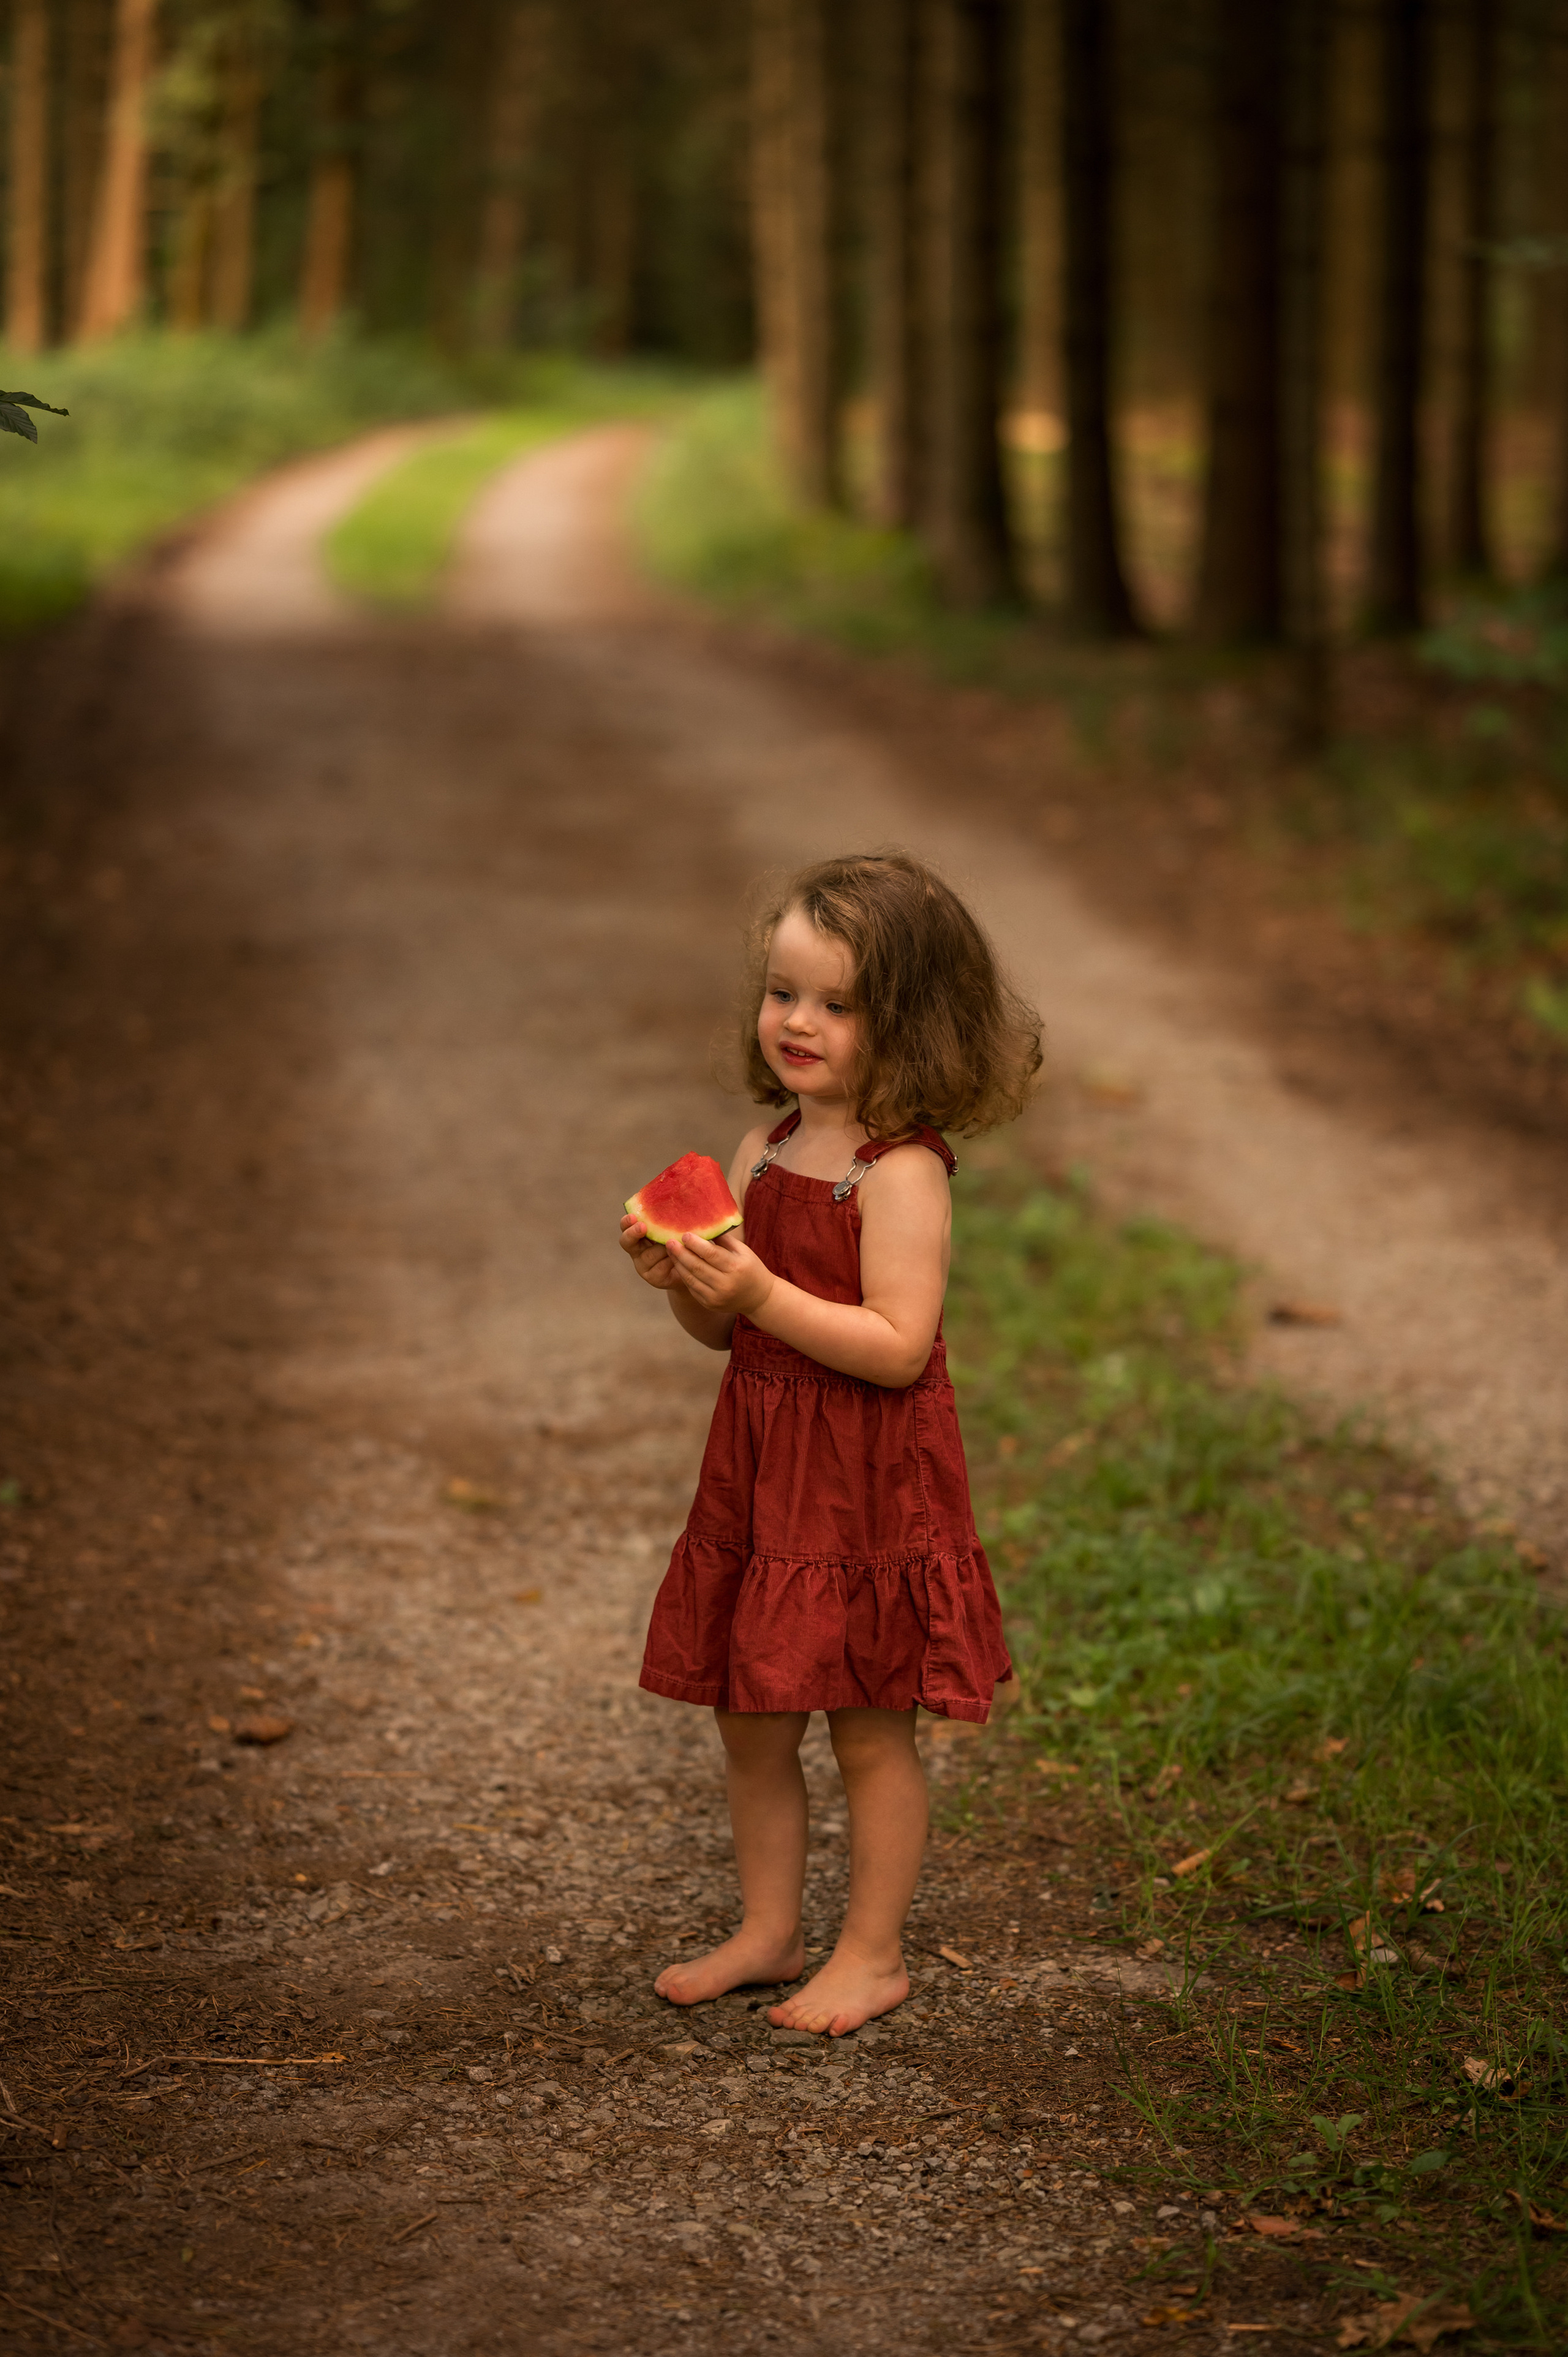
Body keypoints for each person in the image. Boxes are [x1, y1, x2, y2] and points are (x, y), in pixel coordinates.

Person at [619, 850, 1041, 2037]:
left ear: (912, 1026)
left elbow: (898, 1348)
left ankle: (872, 1954)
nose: (797, 1021)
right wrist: (686, 1281)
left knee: (866, 1726)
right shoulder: (759, 1153)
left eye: (836, 1003)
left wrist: (757, 1290)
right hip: (766, 1481)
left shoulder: (896, 1173)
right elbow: (725, 1334)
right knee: (749, 1715)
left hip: (864, 1487)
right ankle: (770, 1929)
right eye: (782, 991)